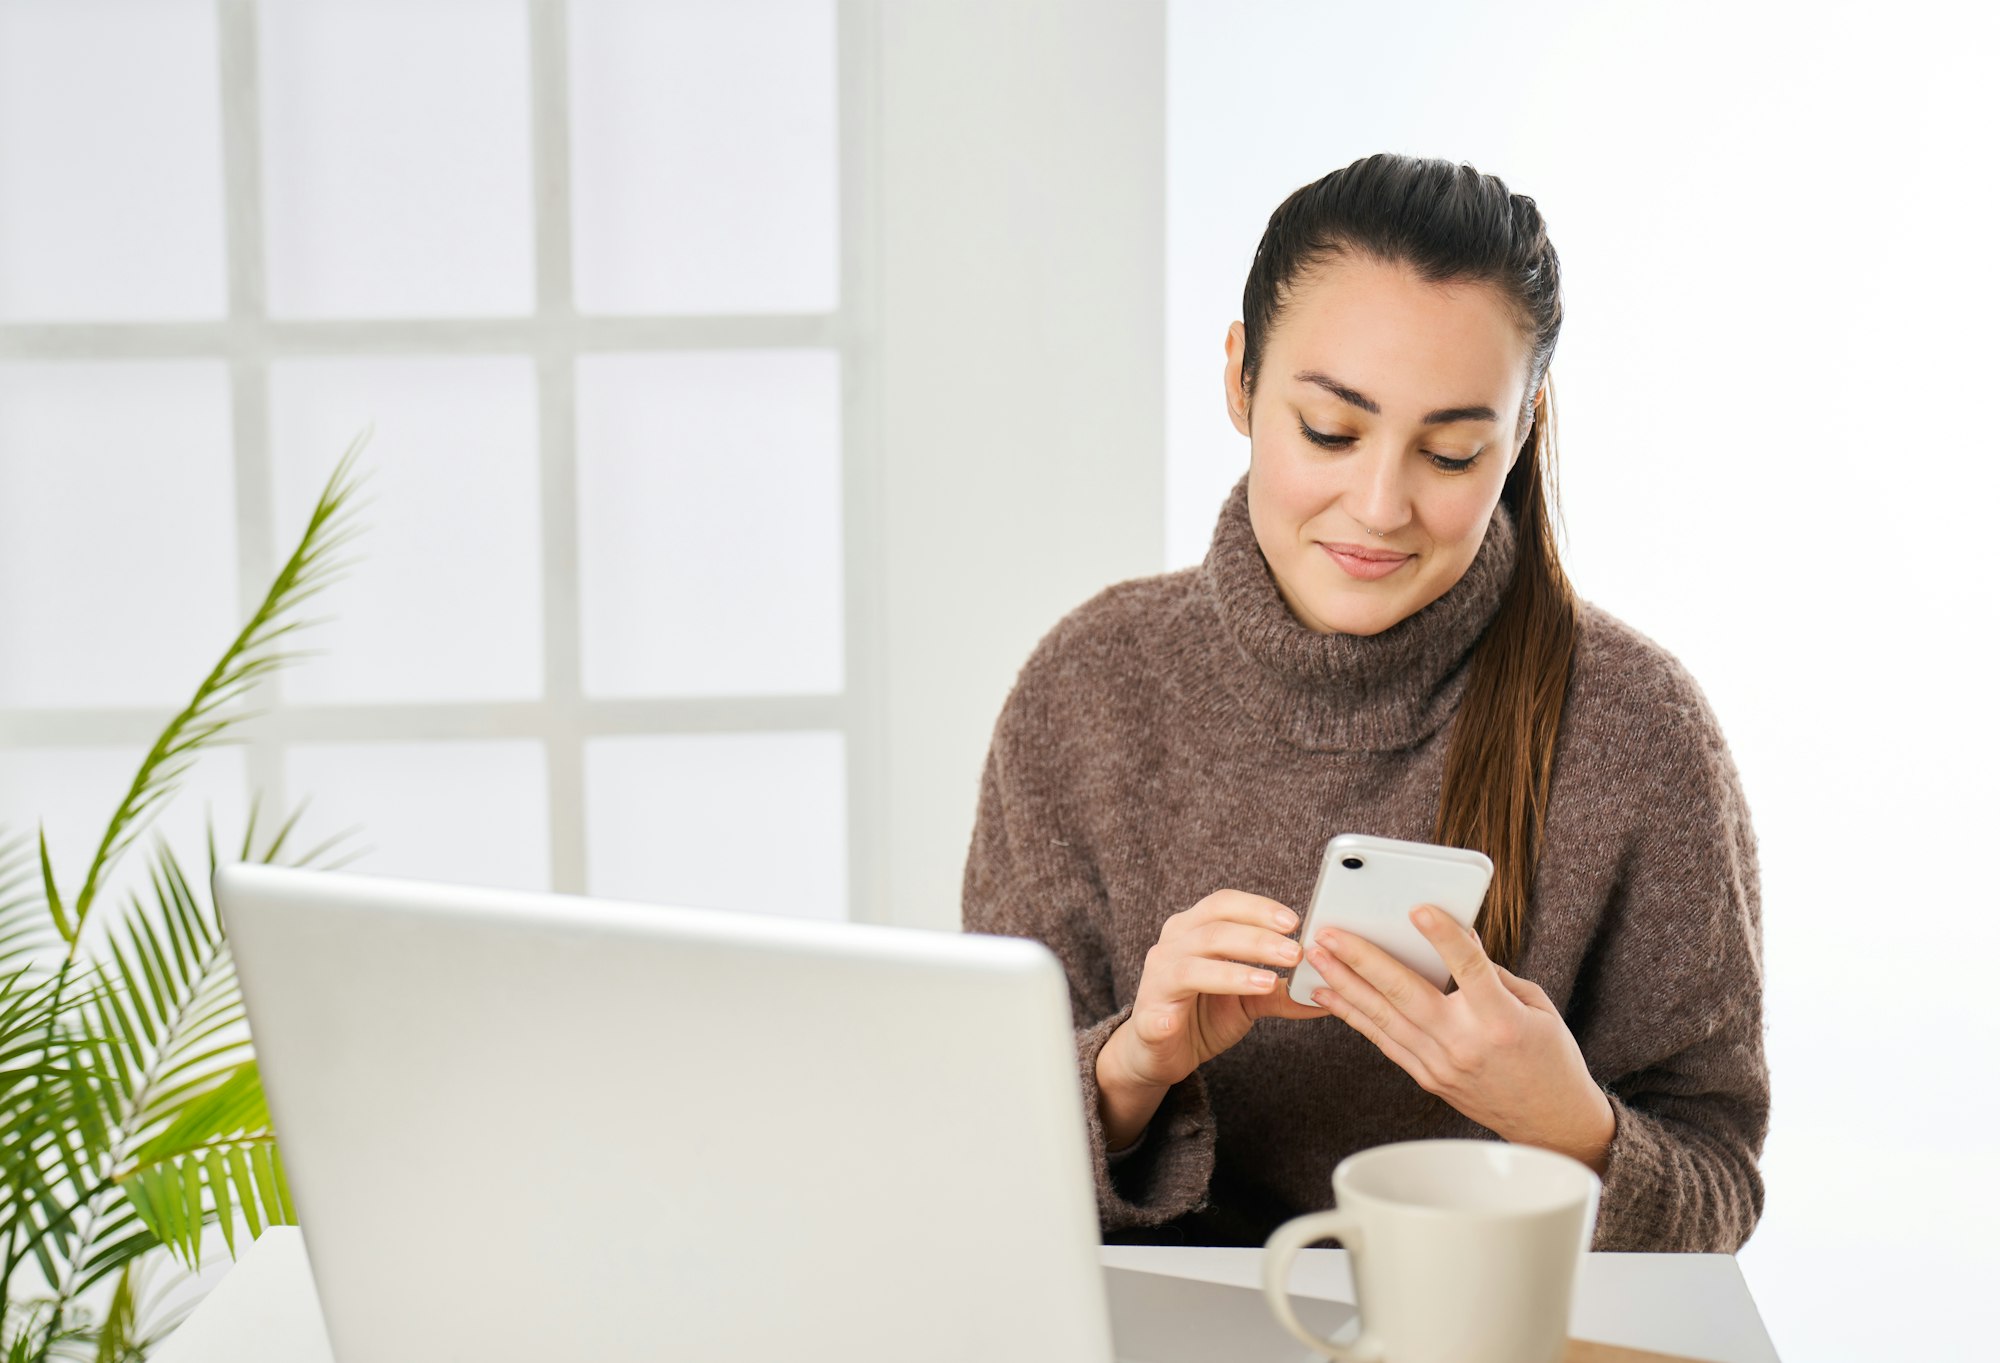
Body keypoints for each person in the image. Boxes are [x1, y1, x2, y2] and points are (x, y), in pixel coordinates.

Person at [959, 152, 1767, 1253]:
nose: (1379, 506)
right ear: (1240, 378)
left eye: (1449, 451)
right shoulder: (1088, 688)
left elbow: (1714, 1191)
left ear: (1521, 432)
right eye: (1330, 431)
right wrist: (1133, 1061)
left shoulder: (1634, 727)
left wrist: (1568, 1128)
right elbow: (978, 1165)